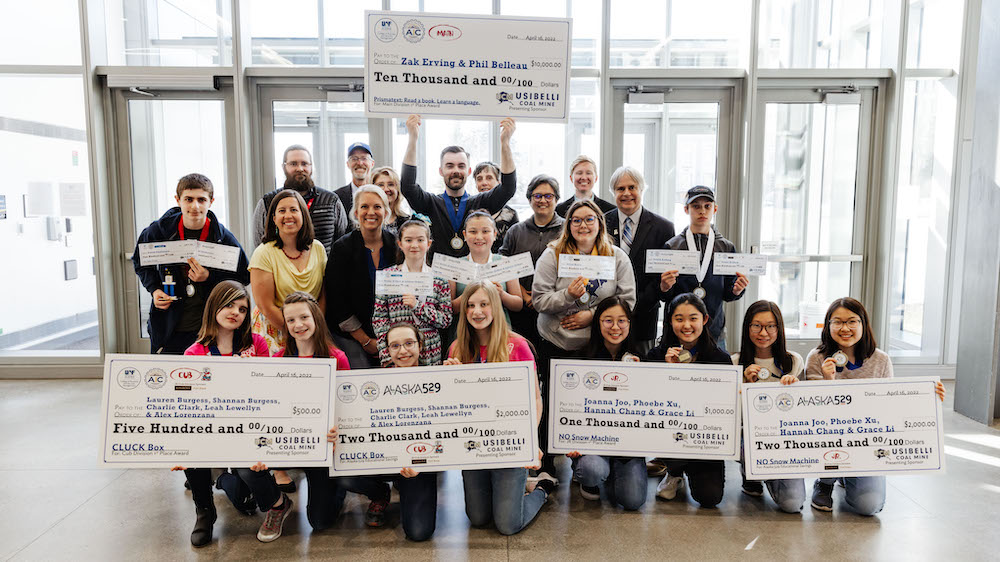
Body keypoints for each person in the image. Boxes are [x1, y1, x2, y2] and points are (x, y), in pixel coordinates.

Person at [804, 297, 946, 515]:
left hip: (867, 440)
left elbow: (890, 407)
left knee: (869, 506)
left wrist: (929, 397)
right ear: (828, 325)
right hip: (829, 435)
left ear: (863, 324)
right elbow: (813, 413)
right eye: (837, 322)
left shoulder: (881, 360)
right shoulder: (817, 357)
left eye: (852, 321)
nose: (845, 328)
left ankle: (848, 474)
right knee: (830, 433)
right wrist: (828, 381)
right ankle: (825, 481)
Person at [531, 200, 637, 481]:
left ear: (600, 223)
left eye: (589, 219)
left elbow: (627, 301)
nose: (583, 225)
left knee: (591, 405)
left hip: (596, 346)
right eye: (576, 220)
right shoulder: (552, 255)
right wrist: (568, 296)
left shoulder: (616, 257)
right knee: (553, 403)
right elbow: (539, 299)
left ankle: (586, 465)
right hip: (556, 342)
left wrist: (591, 315)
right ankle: (546, 464)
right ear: (568, 225)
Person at [239, 292, 350, 542]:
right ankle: (279, 503)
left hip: (322, 448)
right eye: (290, 321)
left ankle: (338, 490)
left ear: (316, 319)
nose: (298, 325)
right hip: (290, 445)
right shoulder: (278, 360)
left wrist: (337, 429)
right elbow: (269, 409)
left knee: (320, 522)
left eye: (304, 317)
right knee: (250, 466)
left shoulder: (336, 358)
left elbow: (346, 405)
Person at [445, 281, 555, 535]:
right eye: (470, 305)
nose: (476, 311)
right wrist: (451, 382)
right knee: (478, 518)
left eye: (484, 304)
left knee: (508, 525)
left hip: (509, 444)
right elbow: (454, 409)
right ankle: (508, 490)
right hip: (474, 446)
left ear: (495, 307)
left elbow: (535, 399)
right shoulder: (457, 349)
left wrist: (529, 441)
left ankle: (541, 489)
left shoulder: (517, 345)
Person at [175, 280, 264, 547]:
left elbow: (270, 394)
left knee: (246, 503)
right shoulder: (195, 352)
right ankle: (204, 511)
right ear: (214, 306)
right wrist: (176, 447)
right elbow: (188, 407)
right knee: (191, 445)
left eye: (242, 308)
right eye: (228, 305)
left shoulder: (256, 344)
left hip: (249, 427)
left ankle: (225, 479)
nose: (235, 312)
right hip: (211, 427)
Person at [337, 322, 438, 539]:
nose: (402, 351)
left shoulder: (438, 379)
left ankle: (406, 485)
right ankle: (380, 493)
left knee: (419, 533)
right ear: (387, 351)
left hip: (420, 463)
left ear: (420, 345)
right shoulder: (374, 385)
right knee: (344, 474)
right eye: (395, 346)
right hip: (383, 459)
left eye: (409, 343)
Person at [132, 173, 250, 354]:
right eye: (188, 199)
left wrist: (210, 277)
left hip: (209, 325)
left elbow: (243, 276)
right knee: (169, 376)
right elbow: (140, 262)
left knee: (206, 377)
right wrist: (154, 289)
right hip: (169, 322)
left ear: (211, 201)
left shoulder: (222, 237)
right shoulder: (158, 230)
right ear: (178, 200)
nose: (195, 206)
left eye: (201, 199)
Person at [647, 293, 733, 508]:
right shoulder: (656, 356)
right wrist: (667, 372)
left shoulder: (720, 359)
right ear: (669, 321)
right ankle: (673, 472)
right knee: (673, 440)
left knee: (710, 498)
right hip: (670, 435)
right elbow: (647, 403)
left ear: (704, 320)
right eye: (679, 319)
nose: (686, 325)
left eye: (693, 318)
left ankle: (689, 470)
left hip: (705, 440)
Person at [564, 297, 647, 509]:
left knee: (633, 501)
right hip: (593, 444)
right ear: (598, 323)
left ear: (630, 323)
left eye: (622, 320)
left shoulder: (642, 360)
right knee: (591, 471)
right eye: (608, 320)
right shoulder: (580, 360)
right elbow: (568, 407)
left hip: (628, 447)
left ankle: (613, 473)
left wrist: (641, 378)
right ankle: (592, 477)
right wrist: (568, 439)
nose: (616, 327)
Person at [400, 114, 517, 257]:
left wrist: (505, 143)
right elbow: (407, 187)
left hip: (472, 277)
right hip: (439, 277)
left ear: (468, 171)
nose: (456, 170)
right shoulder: (431, 203)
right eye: (450, 166)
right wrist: (412, 139)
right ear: (441, 171)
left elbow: (508, 188)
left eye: (461, 166)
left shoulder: (481, 203)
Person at [732, 300, 805, 513]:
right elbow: (730, 414)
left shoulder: (794, 361)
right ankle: (751, 474)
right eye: (756, 325)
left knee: (792, 503)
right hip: (748, 437)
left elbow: (804, 409)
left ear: (779, 329)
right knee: (747, 448)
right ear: (747, 328)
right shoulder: (734, 362)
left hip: (785, 439)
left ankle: (763, 476)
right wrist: (744, 385)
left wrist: (795, 390)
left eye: (771, 326)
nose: (763, 332)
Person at [658, 185, 748, 351]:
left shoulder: (726, 247)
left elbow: (729, 293)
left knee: (716, 375)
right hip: (679, 332)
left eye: (707, 206)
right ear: (686, 209)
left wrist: (736, 290)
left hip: (714, 331)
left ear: (715, 209)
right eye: (696, 206)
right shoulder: (672, 247)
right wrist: (664, 287)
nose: (702, 211)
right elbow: (665, 296)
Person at [603, 166, 676, 353]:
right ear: (613, 192)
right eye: (620, 189)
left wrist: (634, 304)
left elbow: (663, 279)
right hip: (607, 320)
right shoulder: (600, 224)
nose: (627, 193)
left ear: (642, 190)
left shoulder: (664, 228)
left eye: (632, 187)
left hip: (644, 318)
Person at [325, 185, 399, 368]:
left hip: (393, 334)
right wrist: (365, 340)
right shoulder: (342, 248)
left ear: (386, 212)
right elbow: (337, 301)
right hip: (351, 336)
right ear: (356, 213)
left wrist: (389, 338)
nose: (371, 212)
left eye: (377, 206)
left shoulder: (397, 246)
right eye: (364, 207)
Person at [249, 189, 327, 355]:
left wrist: (314, 328)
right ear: (274, 219)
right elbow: (265, 305)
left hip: (310, 329)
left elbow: (323, 295)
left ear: (303, 215)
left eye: (294, 210)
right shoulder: (263, 253)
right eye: (282, 211)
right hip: (273, 329)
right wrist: (293, 333)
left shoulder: (318, 248)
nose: (288, 216)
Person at [372, 219, 452, 366]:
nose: (414, 245)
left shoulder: (439, 280)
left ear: (428, 244)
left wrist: (418, 306)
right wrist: (386, 353)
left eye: (420, 240)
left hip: (429, 351)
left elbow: (446, 320)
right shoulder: (389, 276)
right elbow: (379, 320)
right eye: (408, 240)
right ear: (400, 244)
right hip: (398, 351)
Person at [498, 174, 565, 348]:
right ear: (529, 199)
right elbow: (502, 265)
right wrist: (525, 295)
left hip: (556, 309)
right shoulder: (515, 231)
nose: (543, 200)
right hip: (521, 308)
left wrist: (543, 297)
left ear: (557, 199)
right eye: (537, 196)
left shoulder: (567, 230)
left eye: (548, 196)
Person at [252, 144, 348, 254]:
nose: (300, 168)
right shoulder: (267, 202)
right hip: (280, 269)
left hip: (324, 269)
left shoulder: (331, 201)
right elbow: (259, 243)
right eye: (293, 164)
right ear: (284, 167)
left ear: (311, 167)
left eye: (304, 164)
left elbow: (341, 241)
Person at [450, 211, 523, 324]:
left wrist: (502, 294)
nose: (479, 237)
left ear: (494, 234)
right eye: (473, 232)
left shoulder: (505, 263)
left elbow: (518, 305)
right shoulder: (455, 266)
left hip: (499, 330)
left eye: (485, 231)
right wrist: (468, 294)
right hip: (465, 332)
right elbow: (450, 309)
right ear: (465, 235)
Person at [472, 161, 518, 253]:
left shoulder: (510, 214)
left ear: (499, 182)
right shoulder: (470, 210)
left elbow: (515, 245)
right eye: (479, 179)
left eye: (489, 178)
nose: (484, 183)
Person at [334, 142, 376, 228]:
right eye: (354, 159)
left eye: (364, 158)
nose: (360, 163)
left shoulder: (381, 195)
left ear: (372, 164)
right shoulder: (336, 197)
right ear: (348, 164)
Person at [371, 166, 411, 237]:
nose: (386, 189)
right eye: (380, 185)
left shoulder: (407, 222)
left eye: (391, 184)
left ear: (398, 190)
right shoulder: (366, 219)